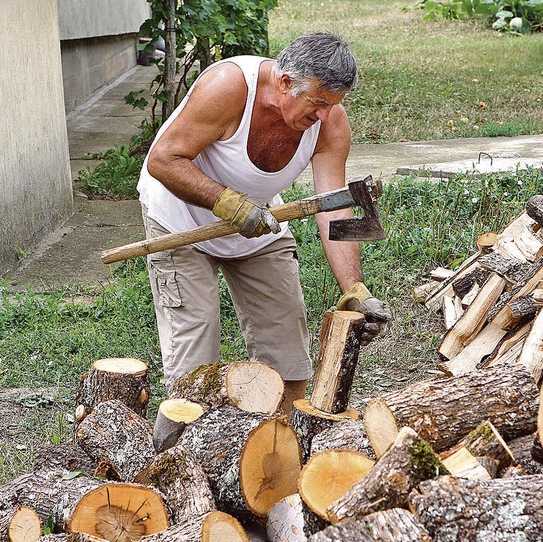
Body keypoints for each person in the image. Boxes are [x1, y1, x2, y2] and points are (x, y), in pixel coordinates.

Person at [137, 32, 391, 411]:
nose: (325, 115)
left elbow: (334, 206)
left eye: (333, 105)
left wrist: (355, 287)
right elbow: (164, 160)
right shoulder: (229, 88)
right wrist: (229, 205)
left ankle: (278, 447)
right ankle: (178, 455)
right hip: (181, 224)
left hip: (259, 225)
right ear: (286, 82)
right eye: (318, 103)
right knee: (194, 365)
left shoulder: (330, 121)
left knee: (289, 357)